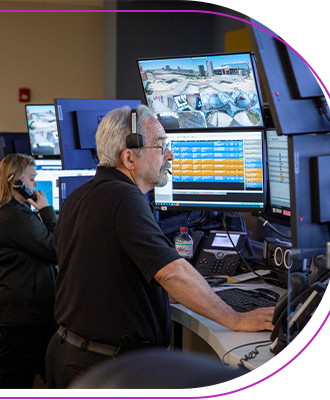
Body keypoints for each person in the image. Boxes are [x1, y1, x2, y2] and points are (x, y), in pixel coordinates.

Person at [46, 105, 274, 388]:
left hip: (70, 354)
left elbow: (105, 273)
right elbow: (172, 273)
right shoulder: (124, 199)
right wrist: (236, 319)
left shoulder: (81, 195)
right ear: (129, 157)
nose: (171, 155)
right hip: (104, 366)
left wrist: (181, 295)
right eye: (161, 145)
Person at [0, 153, 58, 388]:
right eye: (32, 179)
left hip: (18, 314)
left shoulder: (11, 212)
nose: (35, 185)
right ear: (17, 183)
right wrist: (46, 210)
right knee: (14, 382)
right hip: (20, 318)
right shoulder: (15, 216)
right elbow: (56, 248)